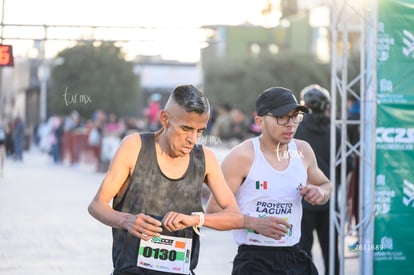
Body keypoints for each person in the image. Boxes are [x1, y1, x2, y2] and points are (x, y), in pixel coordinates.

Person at [88, 84, 243, 275]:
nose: (192, 139)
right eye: (186, 128)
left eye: (200, 131)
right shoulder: (134, 147)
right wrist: (127, 220)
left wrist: (195, 219)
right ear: (165, 119)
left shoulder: (205, 159)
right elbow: (96, 205)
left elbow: (235, 217)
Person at [206, 86, 333, 275]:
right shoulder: (242, 156)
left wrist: (320, 193)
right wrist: (253, 223)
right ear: (259, 121)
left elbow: (326, 185)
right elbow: (212, 213)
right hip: (254, 259)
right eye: (282, 117)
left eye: (295, 116)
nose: (290, 124)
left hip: (295, 255)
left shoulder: (303, 150)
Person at [295, 84, 351, 275]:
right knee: (331, 252)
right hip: (329, 201)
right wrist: (332, 183)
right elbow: (348, 163)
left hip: (302, 199)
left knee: (302, 251)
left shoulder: (295, 132)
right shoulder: (336, 131)